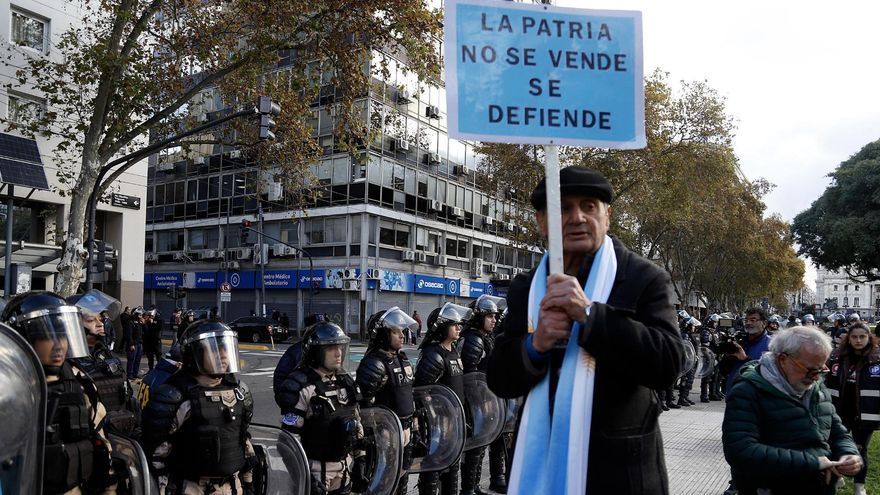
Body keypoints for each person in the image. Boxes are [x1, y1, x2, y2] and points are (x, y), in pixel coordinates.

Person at [486, 167, 682, 495]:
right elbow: (500, 380)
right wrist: (536, 344)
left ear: (607, 216)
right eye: (563, 208)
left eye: (589, 206)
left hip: (621, 473)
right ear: (541, 221)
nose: (577, 217)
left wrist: (590, 316)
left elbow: (668, 365)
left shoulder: (644, 278)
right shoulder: (526, 288)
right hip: (539, 464)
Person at [722, 326, 862, 494]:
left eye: (820, 369)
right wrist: (813, 462)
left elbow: (837, 431)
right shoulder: (748, 391)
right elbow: (741, 452)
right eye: (811, 369)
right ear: (782, 359)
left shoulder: (816, 387)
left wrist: (849, 454)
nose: (816, 377)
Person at [2, 291, 117, 494]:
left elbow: (101, 443)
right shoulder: (7, 386)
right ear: (24, 338)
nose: (58, 345)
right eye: (47, 336)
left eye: (62, 335)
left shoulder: (79, 380)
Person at [140, 319, 256, 494]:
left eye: (226, 347)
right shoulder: (175, 396)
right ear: (194, 353)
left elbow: (243, 439)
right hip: (192, 488)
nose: (224, 354)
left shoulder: (239, 391)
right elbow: (155, 452)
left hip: (233, 487)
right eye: (215, 349)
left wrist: (248, 482)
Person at [275, 321, 368, 495]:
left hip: (345, 469)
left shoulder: (345, 383)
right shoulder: (301, 387)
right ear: (316, 352)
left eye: (340, 347)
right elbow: (289, 442)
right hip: (316, 472)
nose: (338, 353)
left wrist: (361, 460)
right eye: (330, 348)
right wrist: (305, 477)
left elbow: (357, 424)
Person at [356, 307, 419, 495]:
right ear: (383, 334)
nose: (402, 335)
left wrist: (414, 423)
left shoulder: (401, 358)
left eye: (402, 330)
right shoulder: (374, 363)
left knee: (402, 476)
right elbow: (364, 406)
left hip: (406, 429)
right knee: (382, 480)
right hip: (385, 433)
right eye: (395, 331)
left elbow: (409, 393)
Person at [415, 302, 471, 495]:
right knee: (433, 467)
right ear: (441, 327)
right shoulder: (434, 355)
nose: (458, 327)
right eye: (454, 324)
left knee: (453, 465)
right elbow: (421, 393)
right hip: (438, 423)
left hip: (455, 420)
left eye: (459, 324)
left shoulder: (453, 350)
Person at [68, 290, 139, 437]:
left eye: (100, 317)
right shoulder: (65, 362)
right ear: (73, 322)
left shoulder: (107, 356)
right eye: (91, 319)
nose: (100, 323)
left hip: (119, 434)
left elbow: (127, 397)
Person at [458, 294, 508, 495]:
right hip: (477, 402)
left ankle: (482, 484)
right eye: (489, 316)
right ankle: (469, 488)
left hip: (488, 399)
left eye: (495, 316)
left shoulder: (486, 338)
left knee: (489, 443)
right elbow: (470, 376)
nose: (494, 320)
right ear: (479, 317)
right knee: (475, 447)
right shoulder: (474, 340)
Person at [824, 322, 879, 495]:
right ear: (848, 339)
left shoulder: (877, 359)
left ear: (868, 338)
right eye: (854, 337)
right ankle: (836, 476)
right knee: (832, 446)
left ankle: (859, 487)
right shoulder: (836, 357)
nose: (858, 340)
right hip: (838, 412)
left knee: (860, 449)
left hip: (865, 414)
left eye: (862, 336)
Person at [122, 306, 144, 379]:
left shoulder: (139, 322)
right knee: (131, 359)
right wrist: (131, 344)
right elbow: (129, 334)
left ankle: (135, 373)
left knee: (137, 360)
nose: (141, 316)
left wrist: (143, 324)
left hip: (139, 344)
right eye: (139, 315)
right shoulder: (130, 322)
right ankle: (129, 374)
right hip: (133, 344)